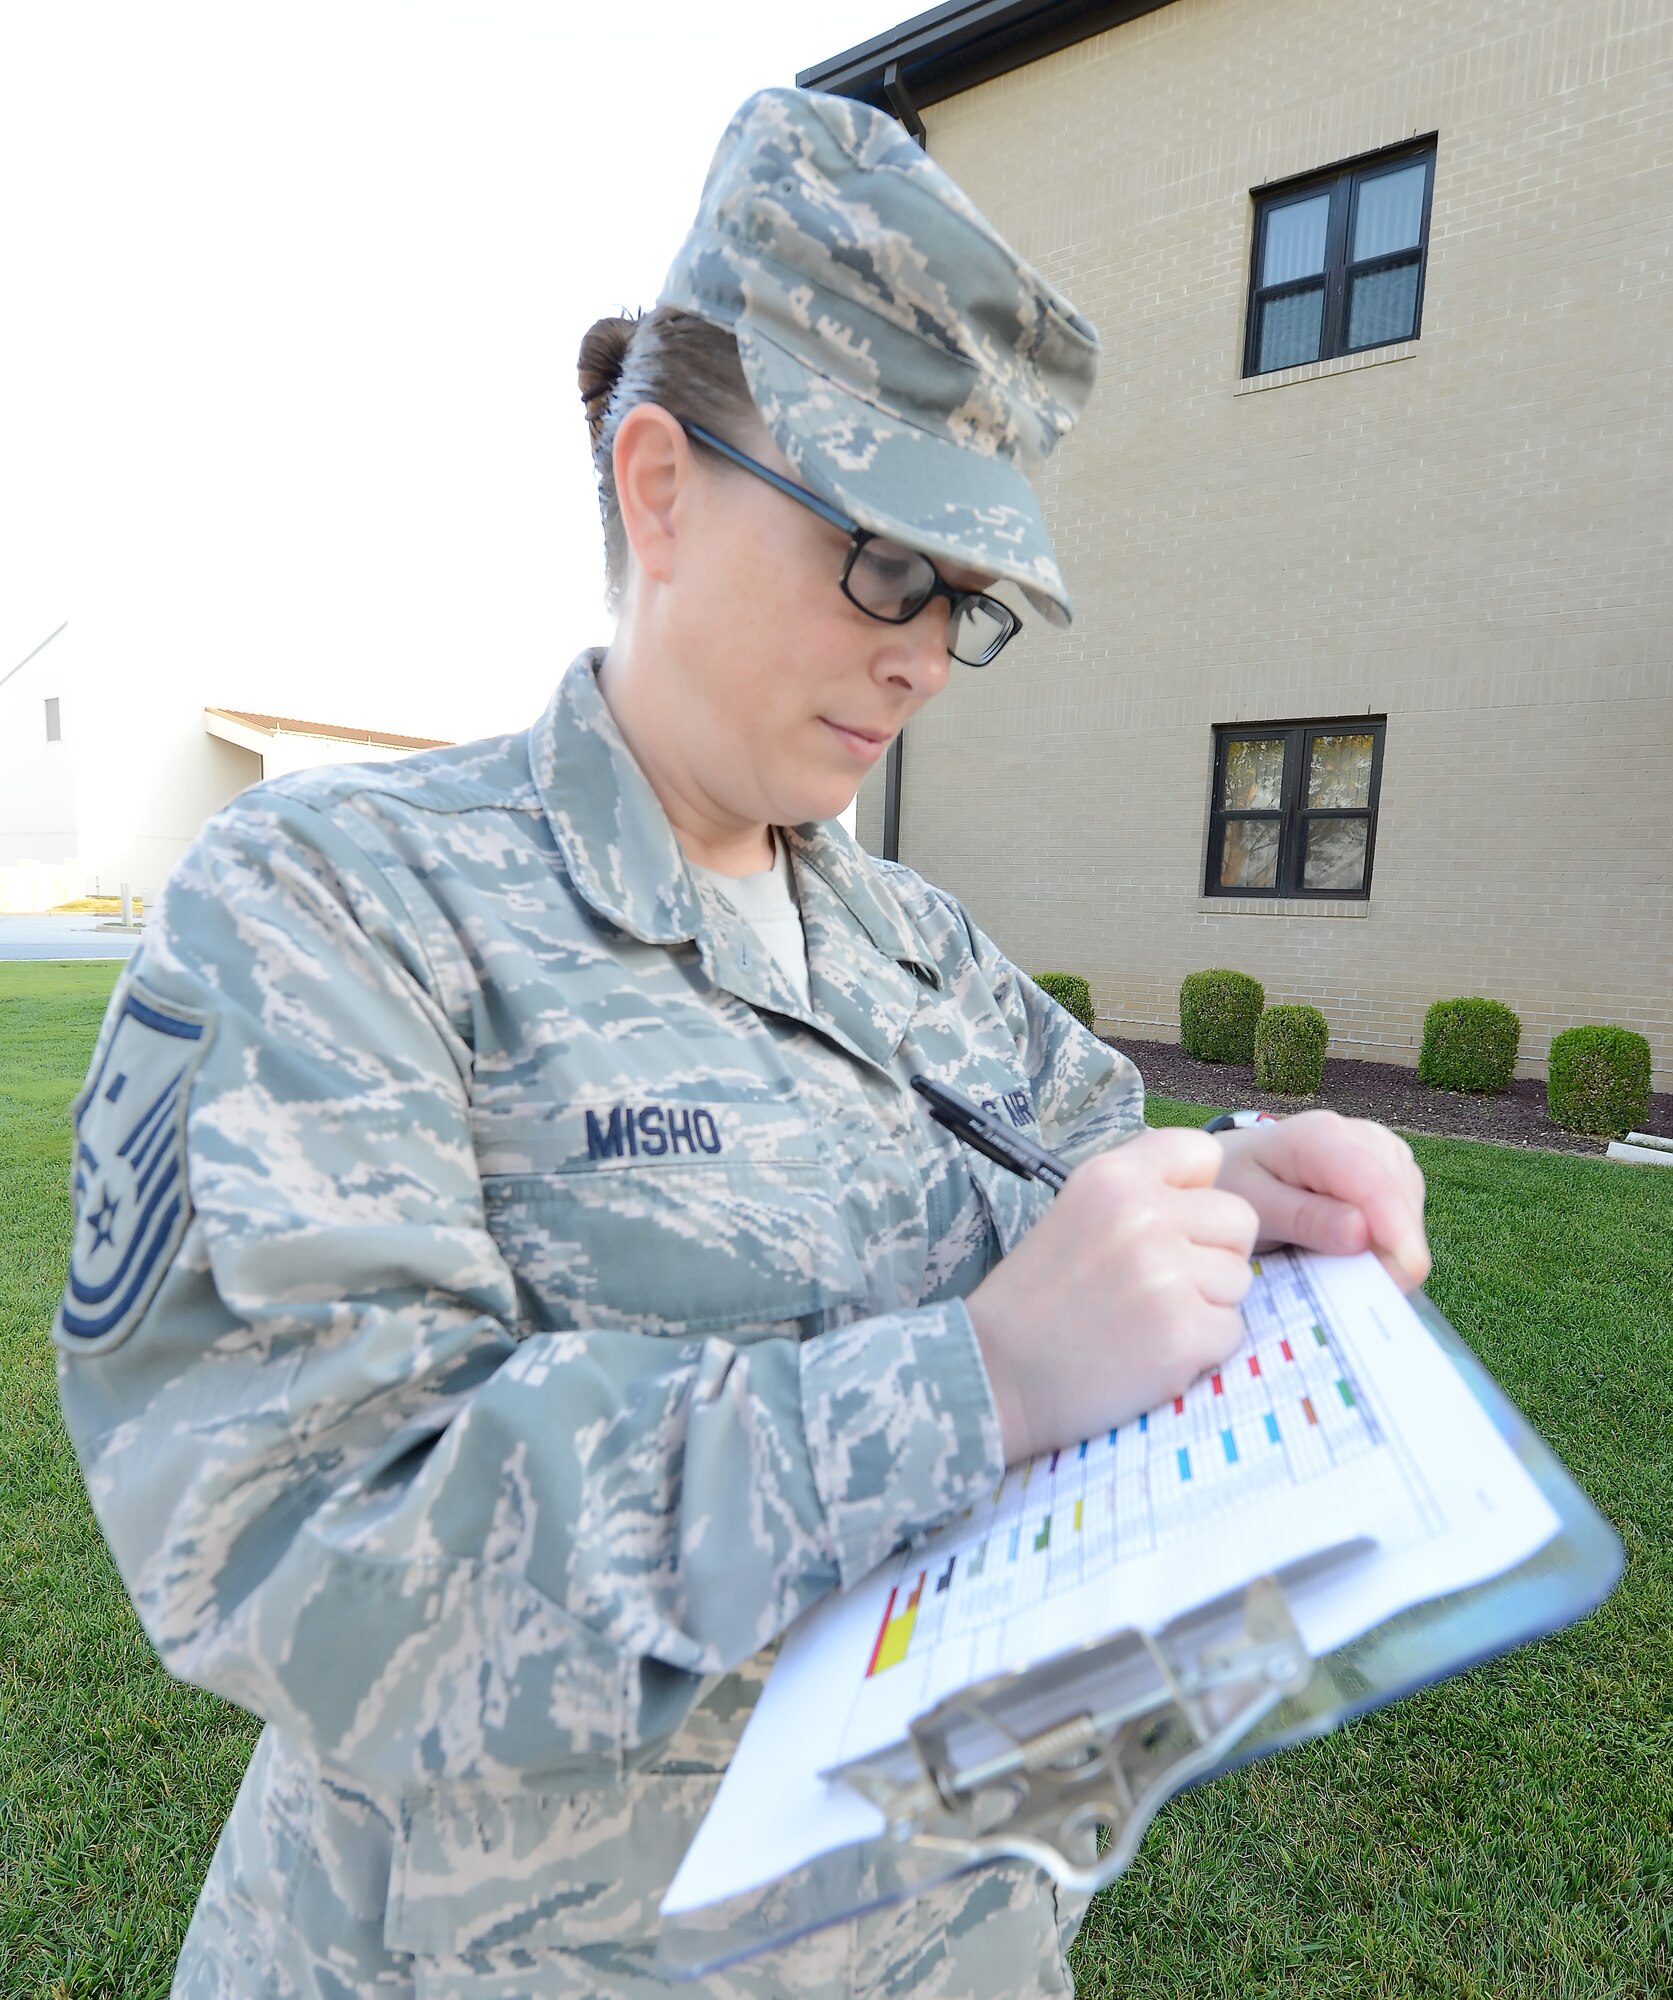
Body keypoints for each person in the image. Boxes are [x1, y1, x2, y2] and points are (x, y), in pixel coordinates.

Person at [54, 86, 1428, 2000]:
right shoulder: (340, 904)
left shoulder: (914, 944)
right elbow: (292, 1538)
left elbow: (1107, 1185)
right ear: (656, 486)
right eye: (883, 561)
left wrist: (1243, 1193)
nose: (924, 655)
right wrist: (977, 1382)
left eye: (964, 603)